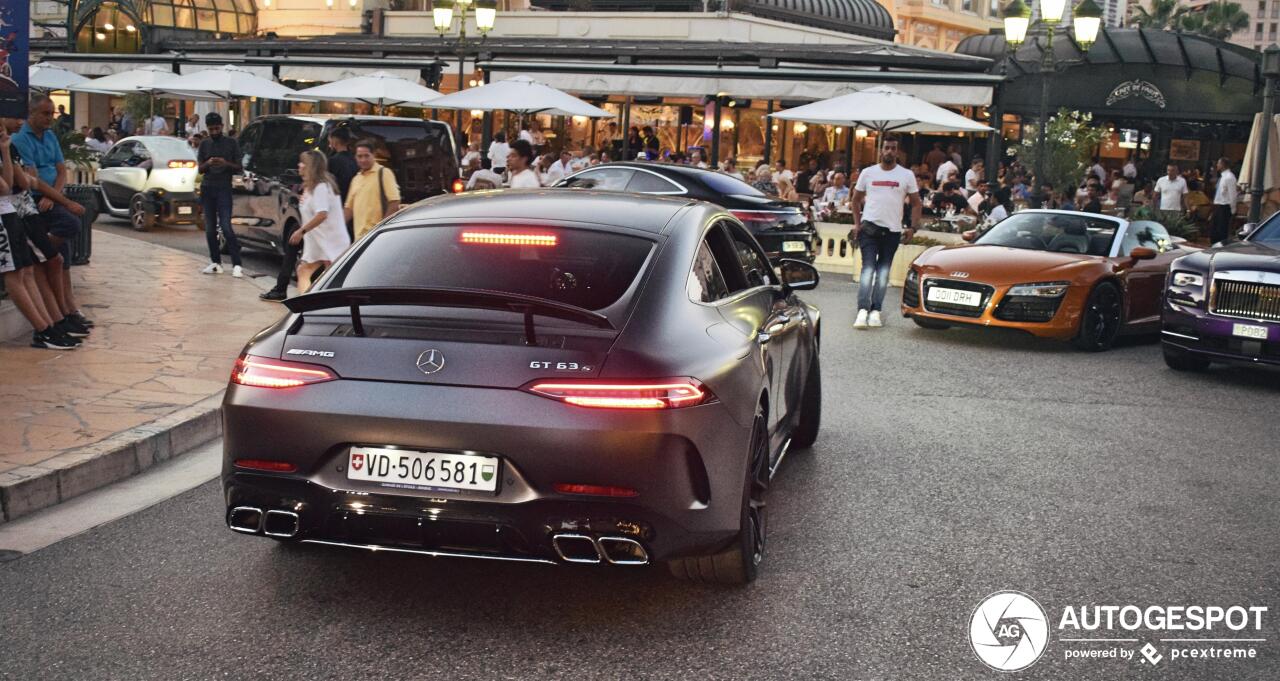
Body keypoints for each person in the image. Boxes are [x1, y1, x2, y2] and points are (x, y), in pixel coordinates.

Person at [11, 95, 93, 333]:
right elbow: (27, 180)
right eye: (45, 114)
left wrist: (54, 195)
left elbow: (59, 171)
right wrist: (62, 201)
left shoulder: (49, 136)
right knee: (68, 228)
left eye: (52, 114)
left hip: (49, 198)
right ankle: (41, 254)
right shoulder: (19, 140)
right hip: (33, 204)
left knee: (61, 255)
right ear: (32, 113)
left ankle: (68, 309)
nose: (50, 119)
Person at [0, 123, 80, 349]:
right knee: (20, 272)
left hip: (14, 212)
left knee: (28, 269)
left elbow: (18, 182)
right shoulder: (20, 141)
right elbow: (13, 185)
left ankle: (51, 324)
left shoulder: (10, 146)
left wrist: (6, 151)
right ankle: (45, 328)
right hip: (13, 212)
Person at [851, 137, 921, 329]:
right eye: (887, 148)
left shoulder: (906, 175)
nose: (889, 151)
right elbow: (855, 200)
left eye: (893, 148)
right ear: (880, 150)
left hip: (892, 231)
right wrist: (857, 224)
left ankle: (876, 311)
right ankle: (862, 310)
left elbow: (916, 203)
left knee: (883, 273)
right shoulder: (868, 173)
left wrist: (913, 227)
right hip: (869, 228)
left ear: (897, 152)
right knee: (867, 270)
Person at [287, 151, 351, 293]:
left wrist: (301, 231)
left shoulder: (322, 187)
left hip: (331, 241)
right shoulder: (310, 187)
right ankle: (305, 308)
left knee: (329, 281)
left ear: (311, 166)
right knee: (304, 271)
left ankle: (312, 309)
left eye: (303, 162)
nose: (299, 165)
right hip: (319, 240)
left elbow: (322, 214)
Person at [195, 112, 244, 276]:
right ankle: (215, 262)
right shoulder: (204, 144)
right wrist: (208, 163)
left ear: (222, 126)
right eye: (211, 129)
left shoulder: (231, 143)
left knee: (226, 226)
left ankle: (237, 264)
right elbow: (199, 169)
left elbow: (239, 167)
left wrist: (225, 163)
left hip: (224, 187)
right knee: (209, 229)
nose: (214, 132)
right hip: (207, 187)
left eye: (216, 128)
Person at [345, 139, 401, 240]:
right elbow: (349, 209)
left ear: (373, 155)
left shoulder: (384, 173)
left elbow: (394, 202)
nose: (363, 160)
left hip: (378, 237)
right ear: (355, 157)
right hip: (360, 239)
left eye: (366, 156)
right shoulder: (356, 179)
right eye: (359, 156)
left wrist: (381, 228)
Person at [1211, 157, 1238, 244]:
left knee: (1222, 228)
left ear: (1223, 165)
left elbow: (1232, 194)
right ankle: (1214, 244)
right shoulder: (1222, 177)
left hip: (1225, 206)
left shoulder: (1230, 177)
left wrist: (1233, 209)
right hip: (1218, 205)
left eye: (1218, 163)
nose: (1217, 165)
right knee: (1214, 228)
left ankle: (1221, 245)